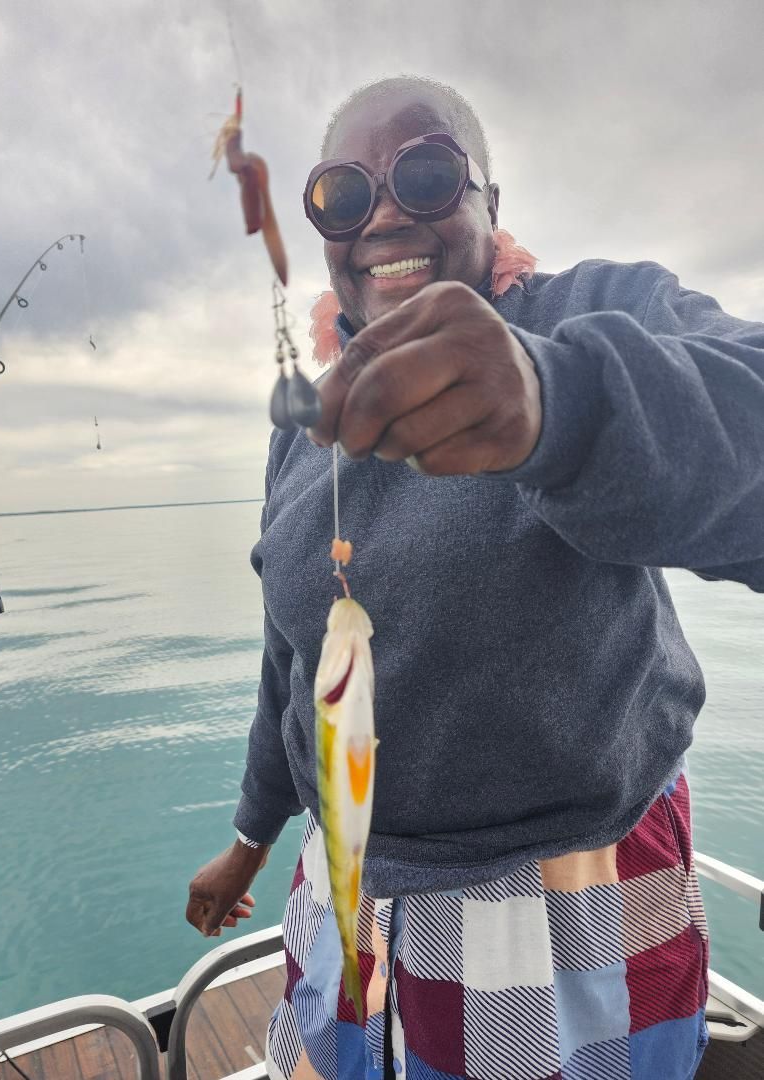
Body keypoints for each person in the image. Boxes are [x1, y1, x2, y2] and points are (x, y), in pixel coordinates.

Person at [186, 76, 764, 1080]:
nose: (388, 213)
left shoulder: (597, 310)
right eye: (344, 194)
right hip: (345, 894)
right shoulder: (304, 426)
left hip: (563, 907)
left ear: (490, 207)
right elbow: (294, 667)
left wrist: (559, 403)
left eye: (428, 172)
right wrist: (248, 838)